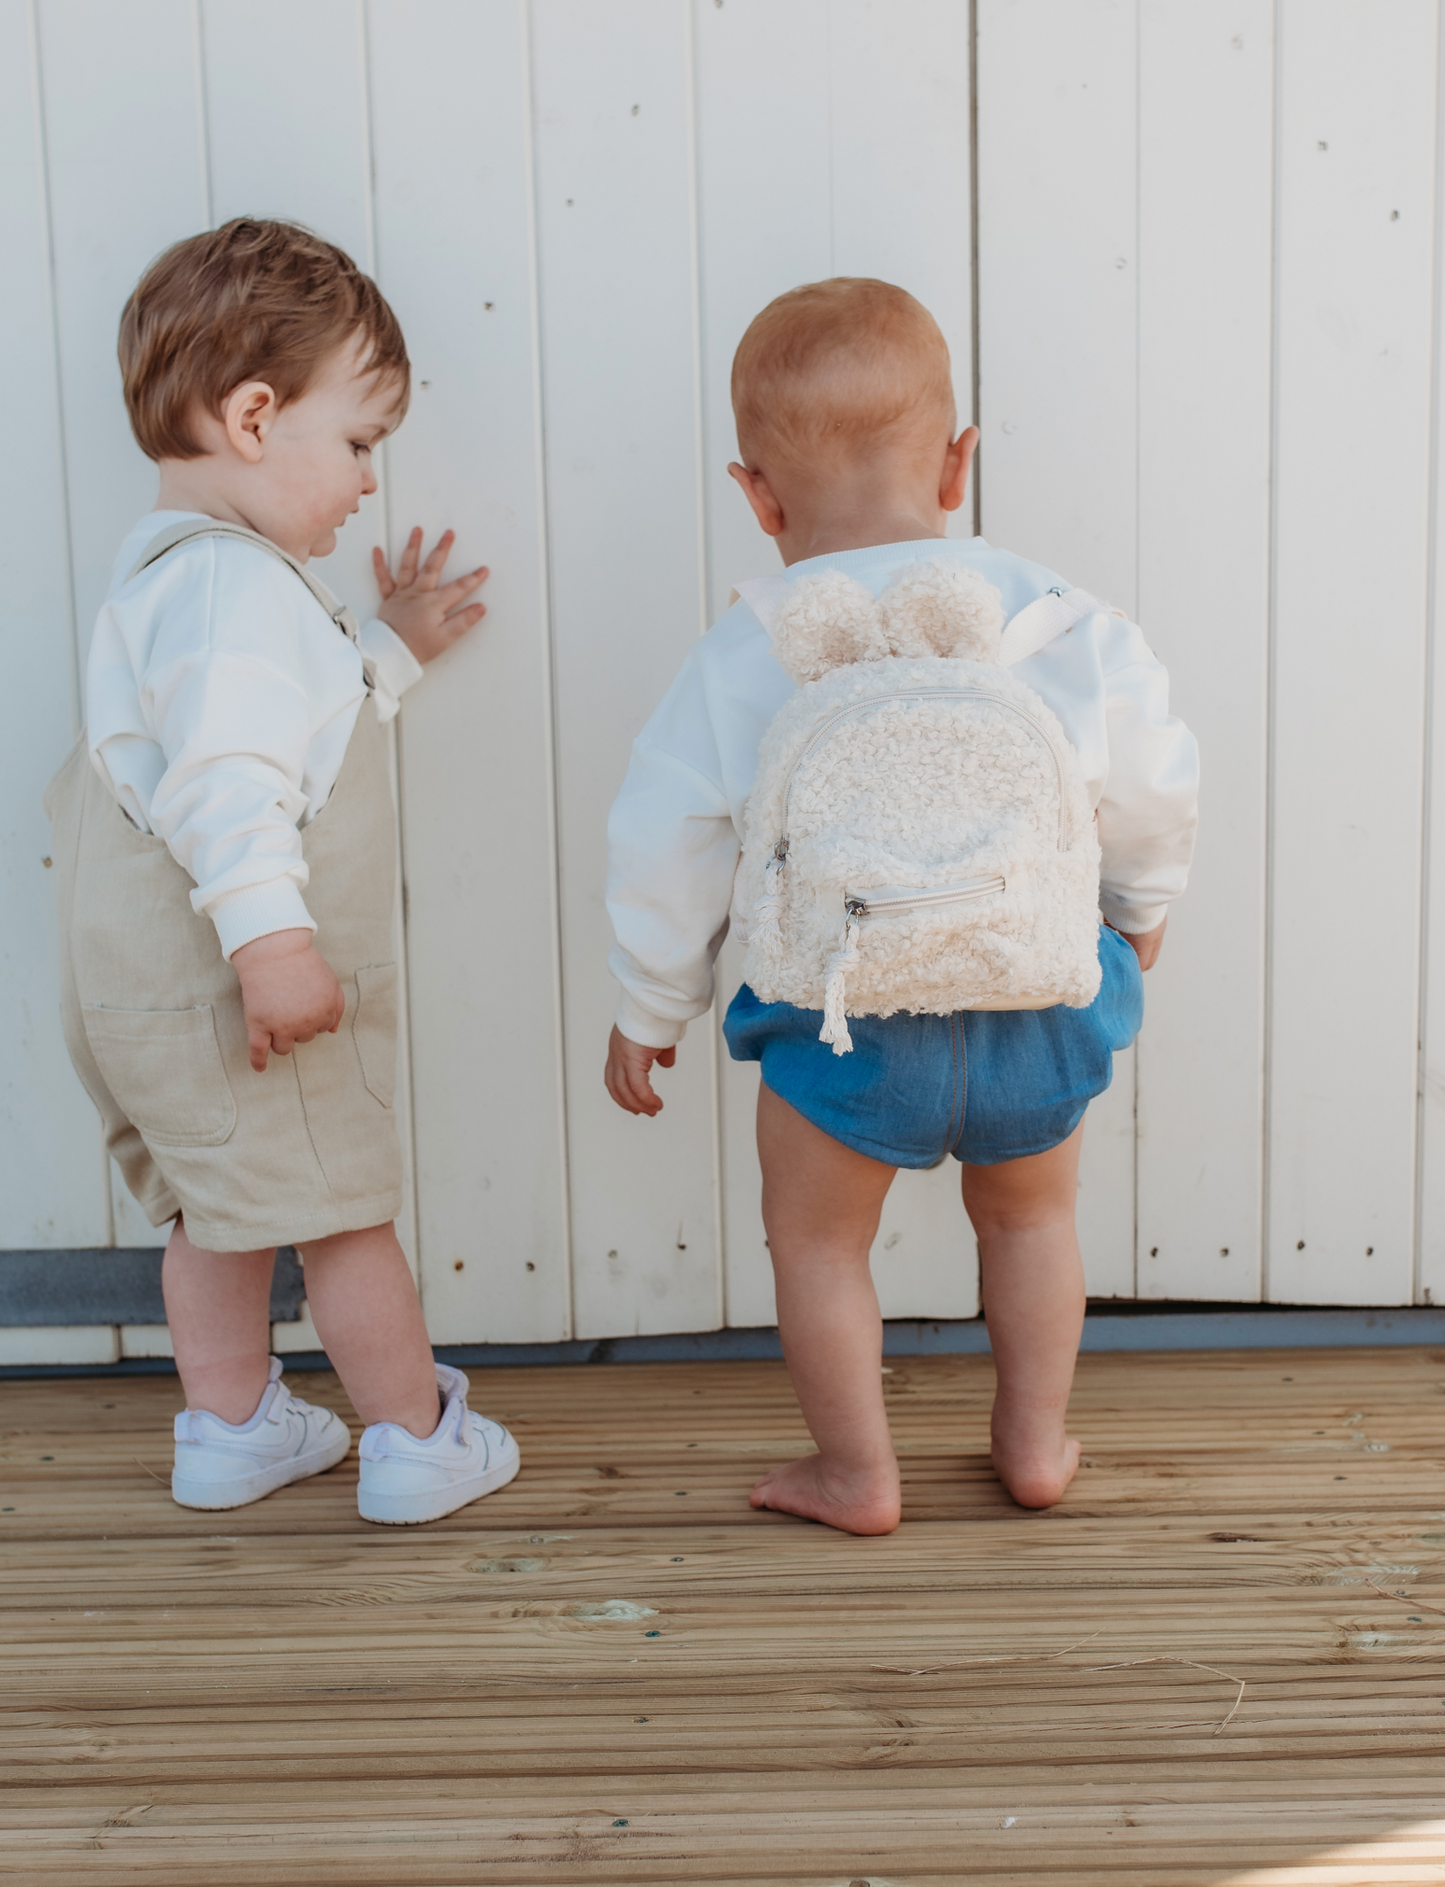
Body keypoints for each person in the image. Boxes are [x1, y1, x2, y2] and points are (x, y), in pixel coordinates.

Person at [603, 277, 1197, 1535]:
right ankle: (1032, 1445)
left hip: (838, 1014)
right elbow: (1151, 782)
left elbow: (666, 840)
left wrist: (649, 1005)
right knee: (1031, 1220)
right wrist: (1136, 911)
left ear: (754, 494)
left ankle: (856, 1472)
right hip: (1035, 990)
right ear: (958, 461)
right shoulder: (1062, 621)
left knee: (818, 1247)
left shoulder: (744, 651)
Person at [46, 218, 519, 1525]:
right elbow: (232, 786)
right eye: (359, 441)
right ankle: (419, 1439)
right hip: (243, 994)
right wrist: (273, 948)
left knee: (218, 1207)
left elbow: (264, 722)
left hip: (144, 1002)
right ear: (253, 417)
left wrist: (390, 648)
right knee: (343, 1212)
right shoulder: (237, 597)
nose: (368, 479)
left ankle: (231, 1425)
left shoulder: (171, 589)